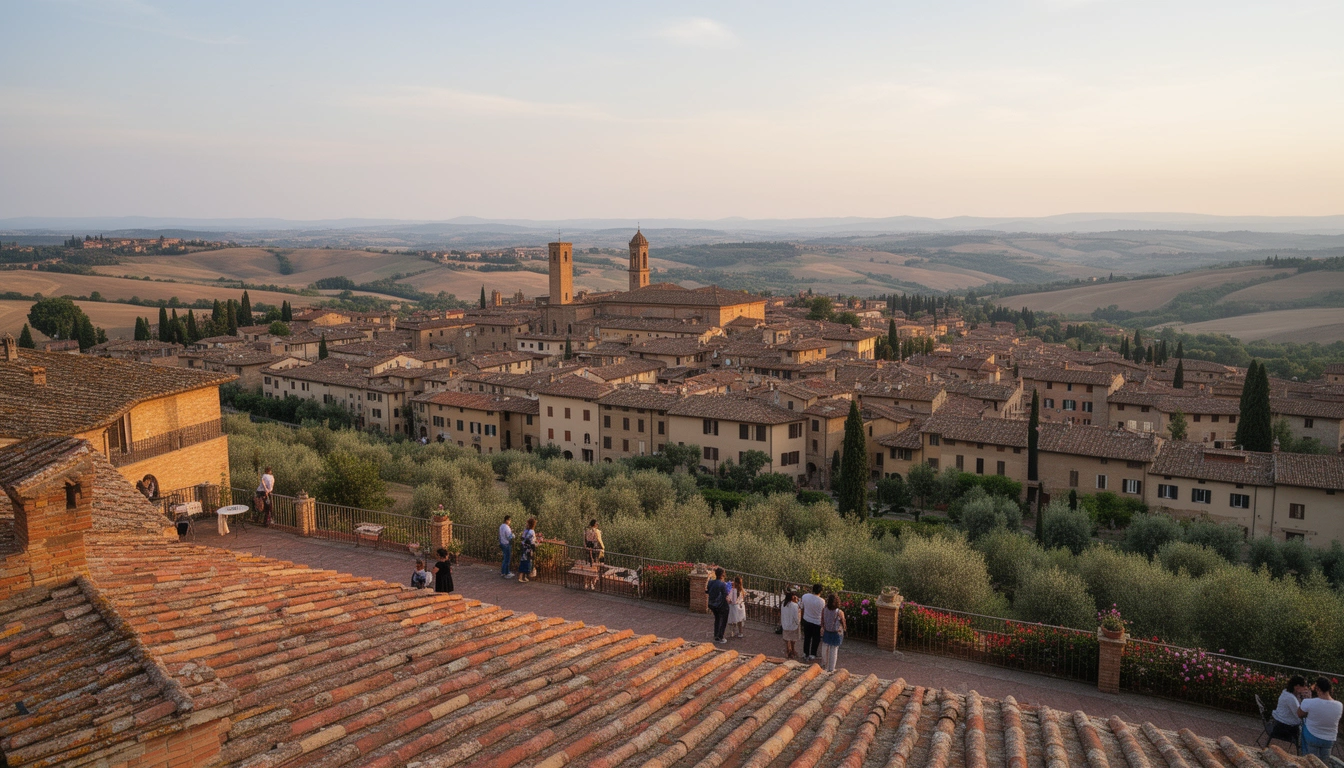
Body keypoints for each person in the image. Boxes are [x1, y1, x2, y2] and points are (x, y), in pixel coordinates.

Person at [1298, 677, 1342, 759]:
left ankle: (1304, 757)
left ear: (1317, 688)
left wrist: (1307, 699)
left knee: (1311, 759)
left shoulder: (1309, 702)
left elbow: (1299, 714)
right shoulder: (1339, 705)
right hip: (1329, 739)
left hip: (1312, 736)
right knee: (1324, 761)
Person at [1271, 676, 1309, 752]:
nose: (1305, 688)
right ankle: (1305, 751)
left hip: (1278, 723)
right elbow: (1299, 715)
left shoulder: (1286, 692)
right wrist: (1307, 700)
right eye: (1303, 686)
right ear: (1297, 687)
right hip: (1285, 728)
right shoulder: (1291, 698)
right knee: (1307, 729)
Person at [820, 593, 847, 673]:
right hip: (836, 633)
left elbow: (822, 620)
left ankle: (824, 665)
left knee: (825, 648)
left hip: (827, 631)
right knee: (834, 650)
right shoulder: (839, 612)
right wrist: (844, 629)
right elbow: (843, 622)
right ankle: (831, 668)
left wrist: (823, 627)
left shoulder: (824, 609)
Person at [800, 583, 825, 661]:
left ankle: (805, 653)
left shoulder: (805, 596)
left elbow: (801, 607)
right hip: (817, 622)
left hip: (807, 620)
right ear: (820, 592)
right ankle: (813, 654)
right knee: (816, 639)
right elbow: (823, 612)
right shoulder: (822, 601)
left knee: (807, 638)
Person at [706, 567, 730, 643]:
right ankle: (720, 637)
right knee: (723, 620)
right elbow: (725, 595)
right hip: (721, 605)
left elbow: (707, 591)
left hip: (712, 604)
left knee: (717, 619)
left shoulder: (711, 582)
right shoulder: (722, 584)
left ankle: (716, 636)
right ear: (722, 575)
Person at [583, 519, 605, 590]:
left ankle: (586, 583)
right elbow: (599, 540)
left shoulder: (587, 531)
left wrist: (586, 547)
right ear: (595, 525)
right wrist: (603, 547)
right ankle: (592, 584)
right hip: (595, 551)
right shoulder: (597, 531)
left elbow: (584, 541)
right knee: (595, 567)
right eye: (597, 524)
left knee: (587, 567)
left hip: (588, 550)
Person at [780, 591, 801, 660]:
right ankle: (792, 650)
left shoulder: (783, 604)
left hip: (785, 624)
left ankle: (788, 649)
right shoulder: (795, 605)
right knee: (793, 638)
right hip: (793, 625)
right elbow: (796, 617)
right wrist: (798, 623)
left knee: (787, 638)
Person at [518, 517, 540, 583]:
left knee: (523, 561)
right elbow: (532, 541)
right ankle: (521, 577)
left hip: (524, 548)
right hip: (528, 550)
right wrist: (537, 544)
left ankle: (523, 577)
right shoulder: (532, 531)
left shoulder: (526, 530)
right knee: (527, 562)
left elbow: (523, 538)